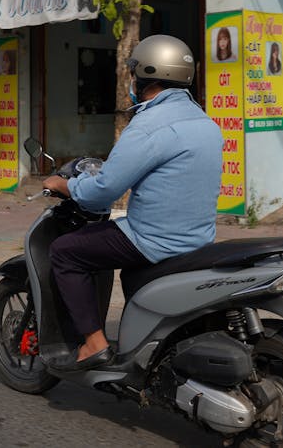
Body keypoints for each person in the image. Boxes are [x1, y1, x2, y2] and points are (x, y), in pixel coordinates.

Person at [42, 34, 223, 371]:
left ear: (145, 75)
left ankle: (94, 344)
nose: (132, 82)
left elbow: (104, 189)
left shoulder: (149, 125)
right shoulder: (205, 122)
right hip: (198, 239)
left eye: (135, 74)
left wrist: (66, 185)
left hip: (153, 238)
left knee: (65, 251)